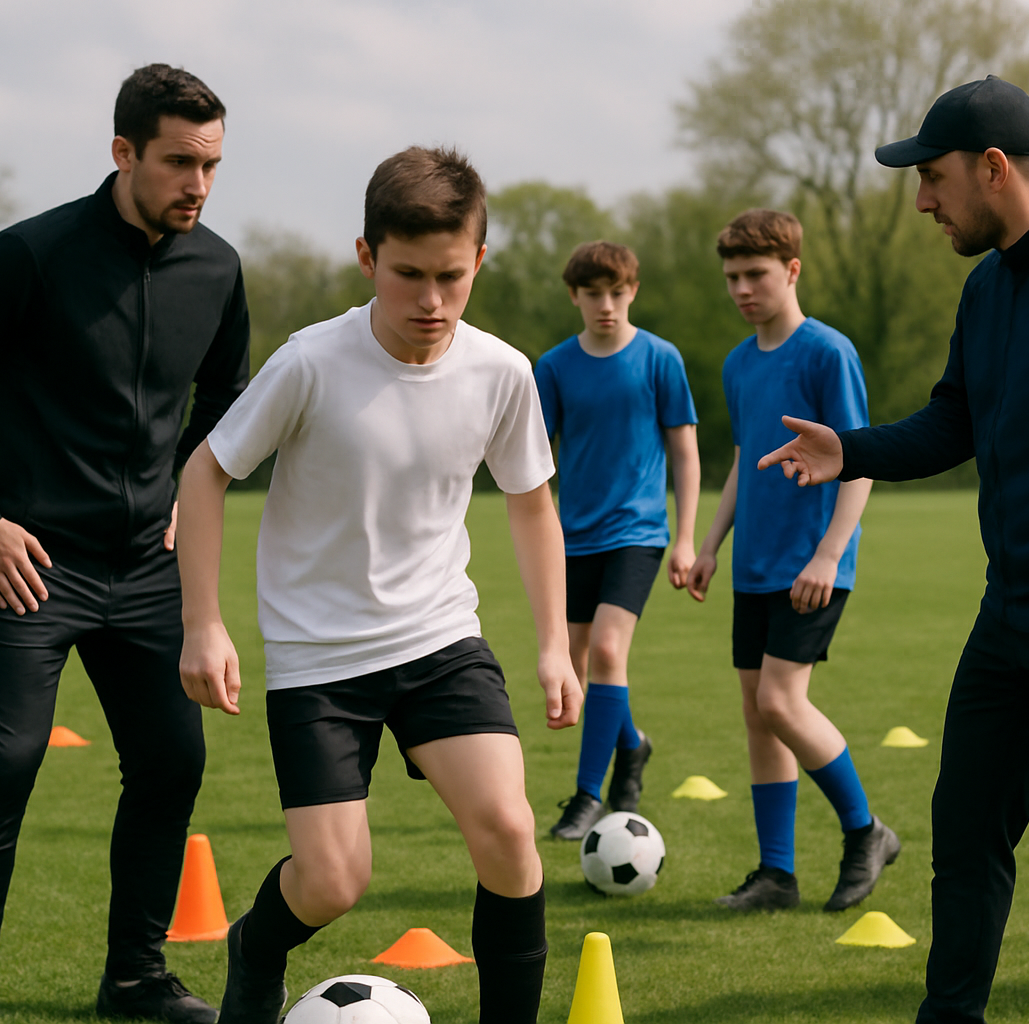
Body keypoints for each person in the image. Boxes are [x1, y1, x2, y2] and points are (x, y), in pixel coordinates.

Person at [756, 76, 1029, 1022]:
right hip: (1011, 614)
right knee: (964, 834)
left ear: (993, 168)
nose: (923, 202)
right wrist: (854, 450)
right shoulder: (989, 286)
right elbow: (953, 422)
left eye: (932, 178)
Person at [174, 146, 580, 1024]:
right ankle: (257, 943)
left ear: (480, 259)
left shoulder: (502, 372)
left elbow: (532, 505)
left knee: (512, 834)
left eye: (450, 275)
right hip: (318, 659)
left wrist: (554, 643)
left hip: (439, 640)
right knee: (332, 880)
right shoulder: (310, 363)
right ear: (367, 258)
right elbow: (205, 474)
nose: (430, 302)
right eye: (407, 276)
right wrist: (203, 625)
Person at [0, 64, 245, 1024]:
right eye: (180, 162)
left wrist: (185, 484)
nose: (199, 186)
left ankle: (134, 979)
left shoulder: (216, 268)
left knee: (173, 766)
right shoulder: (31, 255)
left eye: (213, 165)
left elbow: (227, 399)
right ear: (125, 152)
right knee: (2, 765)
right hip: (27, 568)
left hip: (146, 570)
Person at [686, 208, 898, 914]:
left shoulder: (826, 353)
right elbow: (747, 459)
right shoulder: (739, 363)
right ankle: (776, 874)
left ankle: (867, 831)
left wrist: (830, 554)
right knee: (758, 714)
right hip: (756, 566)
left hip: (814, 565)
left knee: (781, 702)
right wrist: (710, 545)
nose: (742, 288)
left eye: (756, 274)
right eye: (732, 278)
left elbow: (858, 459)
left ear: (792, 270)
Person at [535, 240, 700, 840]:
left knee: (607, 653)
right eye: (592, 294)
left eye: (617, 292)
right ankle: (631, 748)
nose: (606, 304)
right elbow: (537, 461)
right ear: (574, 296)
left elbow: (685, 451)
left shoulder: (661, 359)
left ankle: (586, 796)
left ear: (632, 291)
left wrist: (684, 538)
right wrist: (545, 529)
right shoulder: (552, 368)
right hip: (572, 539)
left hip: (638, 533)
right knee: (581, 670)